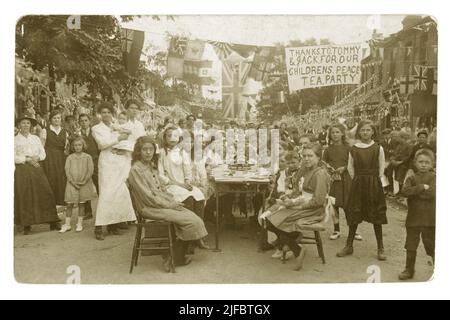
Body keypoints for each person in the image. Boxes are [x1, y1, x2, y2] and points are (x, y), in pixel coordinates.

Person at [128, 136, 208, 268]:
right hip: (149, 208)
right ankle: (175, 259)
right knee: (191, 221)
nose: (148, 152)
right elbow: (149, 197)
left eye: (151, 149)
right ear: (138, 151)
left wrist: (171, 199)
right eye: (144, 149)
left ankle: (175, 255)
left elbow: (160, 189)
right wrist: (170, 204)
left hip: (158, 204)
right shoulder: (136, 170)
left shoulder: (149, 166)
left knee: (193, 217)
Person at [262, 143, 331, 271]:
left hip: (312, 209)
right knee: (267, 216)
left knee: (273, 219)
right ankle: (292, 239)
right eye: (304, 156)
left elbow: (319, 201)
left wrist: (297, 206)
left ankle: (295, 246)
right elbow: (297, 190)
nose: (306, 159)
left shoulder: (320, 174)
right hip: (301, 201)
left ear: (318, 158)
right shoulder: (304, 169)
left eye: (310, 156)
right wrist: (288, 199)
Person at [337, 120, 388, 261]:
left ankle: (380, 247)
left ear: (373, 132)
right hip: (358, 184)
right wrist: (358, 180)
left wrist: (373, 181)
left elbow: (381, 167)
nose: (365, 132)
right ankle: (349, 245)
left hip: (373, 184)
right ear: (359, 132)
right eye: (363, 130)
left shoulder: (378, 148)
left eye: (368, 130)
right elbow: (350, 168)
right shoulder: (354, 149)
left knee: (376, 215)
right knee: (354, 213)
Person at [92, 102, 136, 240]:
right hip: (107, 161)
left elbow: (130, 140)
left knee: (118, 192)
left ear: (112, 113)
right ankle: (98, 227)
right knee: (106, 193)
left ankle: (113, 225)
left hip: (120, 162)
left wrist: (122, 145)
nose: (106, 115)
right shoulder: (96, 128)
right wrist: (118, 138)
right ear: (100, 114)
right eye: (103, 112)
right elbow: (101, 144)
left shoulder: (118, 125)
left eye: (108, 112)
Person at [14, 112, 60, 235]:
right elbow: (12, 157)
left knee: (45, 192)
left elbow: (43, 154)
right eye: (23, 123)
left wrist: (36, 158)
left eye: (28, 123)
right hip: (22, 169)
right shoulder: (14, 139)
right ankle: (26, 225)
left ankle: (52, 221)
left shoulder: (35, 138)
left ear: (31, 125)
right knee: (25, 195)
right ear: (19, 125)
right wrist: (27, 159)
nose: (25, 125)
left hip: (37, 168)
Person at [399, 149, 435, 280]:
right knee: (411, 244)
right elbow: (405, 191)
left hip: (430, 219)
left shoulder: (435, 177)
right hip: (413, 218)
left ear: (432, 163)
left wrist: (416, 193)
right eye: (421, 162)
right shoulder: (412, 177)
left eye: (427, 162)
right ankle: (409, 269)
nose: (424, 164)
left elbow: (432, 194)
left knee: (431, 244)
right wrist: (421, 187)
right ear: (415, 163)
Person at [323, 123, 362, 241]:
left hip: (346, 179)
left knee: (348, 204)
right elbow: (323, 163)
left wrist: (344, 168)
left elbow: (354, 163)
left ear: (342, 134)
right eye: (333, 133)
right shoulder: (328, 150)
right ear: (330, 135)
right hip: (333, 180)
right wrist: (329, 168)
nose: (335, 135)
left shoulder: (349, 148)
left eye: (337, 132)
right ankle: (336, 229)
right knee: (334, 204)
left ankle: (353, 230)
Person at [158, 126, 206, 217]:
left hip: (183, 184)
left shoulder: (182, 153)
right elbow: (160, 175)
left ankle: (198, 225)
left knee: (199, 196)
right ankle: (187, 226)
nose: (172, 138)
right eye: (169, 136)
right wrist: (178, 184)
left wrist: (187, 182)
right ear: (165, 138)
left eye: (175, 136)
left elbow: (187, 171)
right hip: (170, 185)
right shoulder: (161, 153)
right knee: (189, 199)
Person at [60, 137, 98, 233]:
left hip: (84, 183)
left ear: (83, 146)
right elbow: (67, 171)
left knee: (82, 204)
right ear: (73, 147)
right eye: (75, 145)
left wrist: (84, 181)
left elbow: (90, 170)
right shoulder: (70, 157)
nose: (77, 147)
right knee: (69, 204)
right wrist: (73, 182)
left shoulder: (87, 157)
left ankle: (79, 223)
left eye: (79, 145)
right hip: (72, 183)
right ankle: (67, 224)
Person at [40, 110, 69, 206]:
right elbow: (41, 146)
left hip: (60, 158)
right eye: (54, 118)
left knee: (60, 178)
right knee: (50, 177)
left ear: (61, 119)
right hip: (49, 157)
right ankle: (50, 203)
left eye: (58, 118)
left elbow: (66, 147)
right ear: (51, 120)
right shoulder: (45, 131)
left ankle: (60, 202)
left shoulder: (65, 132)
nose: (57, 120)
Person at [78, 114, 100, 219]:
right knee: (84, 187)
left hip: (95, 162)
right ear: (79, 122)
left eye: (86, 120)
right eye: (81, 121)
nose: (84, 123)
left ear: (89, 121)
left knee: (99, 184)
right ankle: (88, 211)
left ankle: (103, 209)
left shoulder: (95, 133)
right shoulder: (77, 134)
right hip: (83, 163)